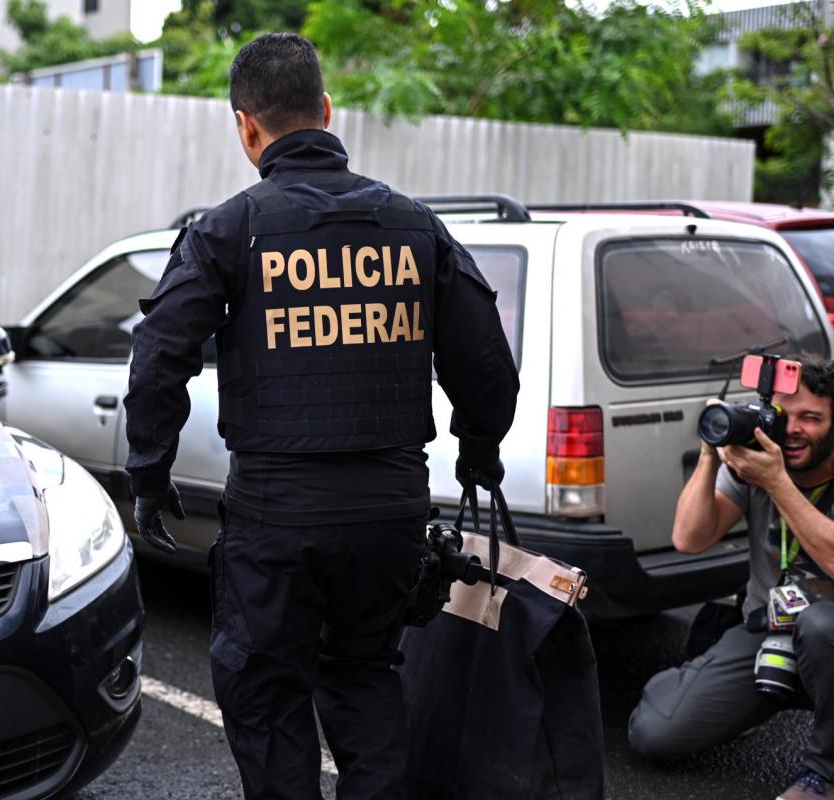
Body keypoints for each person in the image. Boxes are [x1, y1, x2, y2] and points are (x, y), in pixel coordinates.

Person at [124, 32, 519, 800]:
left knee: (267, 698)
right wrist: (479, 453)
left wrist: (149, 472)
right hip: (391, 515)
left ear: (246, 126)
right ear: (327, 112)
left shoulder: (227, 230)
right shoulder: (415, 226)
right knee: (365, 679)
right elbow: (485, 364)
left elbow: (159, 357)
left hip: (278, 517)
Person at [628, 354, 834, 800]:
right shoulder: (757, 467)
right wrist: (709, 455)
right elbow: (689, 538)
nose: (792, 429)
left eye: (810, 418)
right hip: (768, 634)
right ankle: (741, 699)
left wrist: (778, 483)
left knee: (821, 624)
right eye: (783, 416)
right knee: (654, 735)